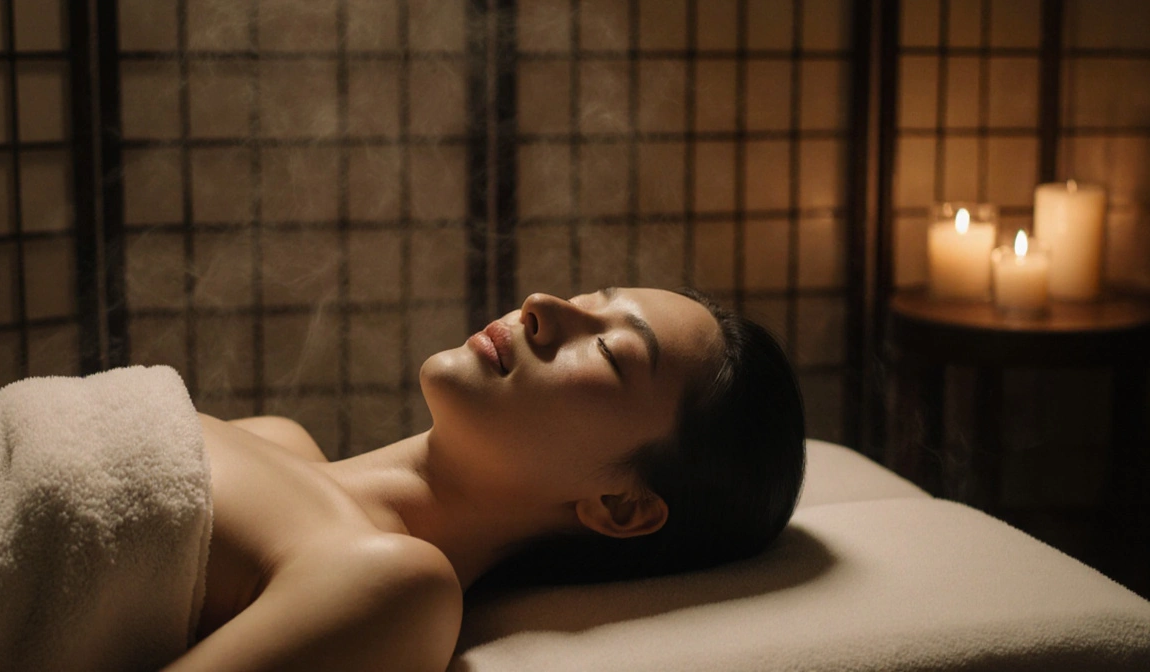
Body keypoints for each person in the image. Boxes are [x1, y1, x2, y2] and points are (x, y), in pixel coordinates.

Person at [164, 286, 806, 672]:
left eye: (611, 352)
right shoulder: (281, 437)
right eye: (588, 298)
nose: (541, 306)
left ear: (620, 505)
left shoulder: (395, 587)